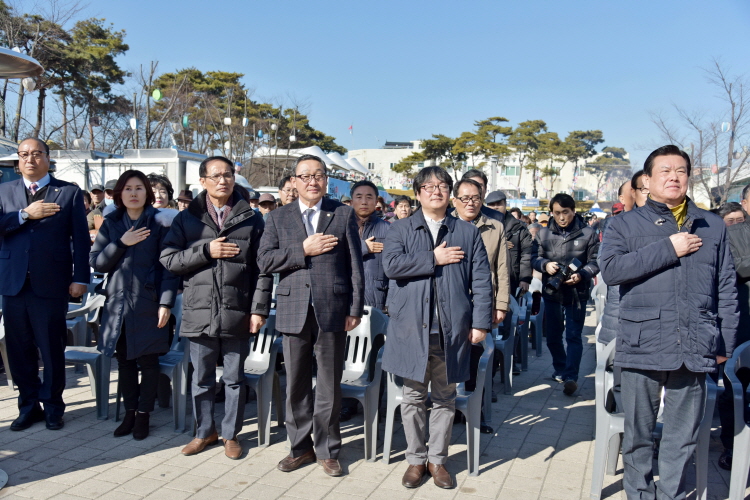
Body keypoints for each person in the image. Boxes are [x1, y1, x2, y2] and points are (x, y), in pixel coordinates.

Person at [599, 145, 738, 499]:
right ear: (647, 180)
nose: (674, 177)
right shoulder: (623, 224)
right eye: (665, 171)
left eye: (681, 170)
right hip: (642, 344)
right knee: (639, 435)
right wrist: (668, 249)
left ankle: (672, 495)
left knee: (682, 437)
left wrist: (724, 345)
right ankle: (640, 494)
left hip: (695, 345)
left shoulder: (714, 226)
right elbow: (611, 270)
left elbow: (727, 289)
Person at [382, 167, 492, 489]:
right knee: (413, 397)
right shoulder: (400, 229)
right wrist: (433, 258)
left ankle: (438, 460)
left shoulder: (467, 232)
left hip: (451, 330)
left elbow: (482, 281)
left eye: (442, 185)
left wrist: (480, 322)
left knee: (445, 397)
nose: (436, 191)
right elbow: (391, 266)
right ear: (417, 194)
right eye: (428, 186)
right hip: (411, 330)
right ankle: (415, 460)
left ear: (450, 193)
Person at [257, 154, 365, 477]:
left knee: (330, 383)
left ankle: (329, 449)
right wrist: (302, 250)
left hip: (332, 310)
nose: (312, 181)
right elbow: (264, 261)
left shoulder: (342, 214)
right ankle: (299, 447)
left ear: (326, 180)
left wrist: (355, 309)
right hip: (293, 310)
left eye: (318, 175)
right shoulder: (278, 218)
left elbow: (355, 268)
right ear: (294, 181)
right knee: (296, 384)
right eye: (305, 176)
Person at [160, 156, 271, 460]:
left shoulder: (251, 218)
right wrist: (206, 251)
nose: (223, 180)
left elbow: (263, 269)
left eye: (228, 175)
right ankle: (204, 431)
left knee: (235, 379)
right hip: (200, 309)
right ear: (203, 181)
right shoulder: (186, 219)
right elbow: (169, 260)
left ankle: (230, 434)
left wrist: (259, 309)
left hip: (238, 310)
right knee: (202, 377)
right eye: (216, 175)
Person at [0, 137, 90, 431]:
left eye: (36, 154)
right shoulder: (5, 192)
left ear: (48, 158)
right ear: (18, 161)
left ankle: (52, 406)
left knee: (51, 348)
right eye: (24, 154)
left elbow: (80, 239)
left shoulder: (68, 192)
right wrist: (26, 214)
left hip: (51, 283)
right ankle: (28, 406)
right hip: (13, 284)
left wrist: (80, 278)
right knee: (19, 349)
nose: (29, 159)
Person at [90, 170, 179, 440]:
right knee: (126, 361)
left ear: (147, 193)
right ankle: (129, 412)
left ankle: (143, 415)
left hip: (148, 303)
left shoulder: (161, 223)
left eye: (139, 188)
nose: (133, 193)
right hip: (117, 305)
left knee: (149, 361)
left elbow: (169, 268)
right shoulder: (111, 222)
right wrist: (121, 242)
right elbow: (98, 263)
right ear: (119, 193)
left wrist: (165, 303)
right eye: (127, 188)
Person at [452, 178, 509, 434]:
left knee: (479, 359)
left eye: (475, 198)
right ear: (455, 200)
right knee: (452, 358)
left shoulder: (494, 226)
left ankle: (479, 414)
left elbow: (502, 269)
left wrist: (501, 304)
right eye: (465, 198)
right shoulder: (446, 223)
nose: (470, 203)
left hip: (483, 302)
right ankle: (452, 409)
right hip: (453, 301)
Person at [532, 193, 599, 396]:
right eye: (557, 213)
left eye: (566, 212)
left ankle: (571, 377)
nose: (562, 217)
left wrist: (582, 275)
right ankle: (560, 368)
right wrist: (545, 265)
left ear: (573, 211)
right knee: (552, 337)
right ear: (551, 213)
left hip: (577, 293)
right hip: (552, 292)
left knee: (573, 336)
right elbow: (534, 258)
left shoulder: (588, 233)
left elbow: (596, 261)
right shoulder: (542, 234)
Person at [339, 179, 390, 422]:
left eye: (369, 197)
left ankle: (374, 402)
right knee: (346, 352)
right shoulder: (340, 225)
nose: (364, 201)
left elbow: (394, 267)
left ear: (376, 201)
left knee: (373, 353)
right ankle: (347, 403)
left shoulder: (388, 229)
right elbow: (337, 255)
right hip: (344, 300)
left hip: (375, 297)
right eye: (359, 196)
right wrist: (364, 247)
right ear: (351, 200)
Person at [720, 184, 750, 470]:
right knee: (735, 389)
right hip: (743, 324)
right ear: (744, 203)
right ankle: (731, 446)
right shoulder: (733, 233)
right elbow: (733, 270)